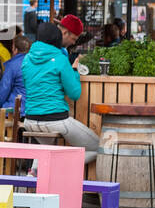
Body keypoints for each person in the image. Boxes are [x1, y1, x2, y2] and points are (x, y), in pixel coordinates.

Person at [21, 21, 100, 164]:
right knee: (98, 148)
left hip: (30, 120)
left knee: (46, 150)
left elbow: (36, 85)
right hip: (55, 120)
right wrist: (74, 70)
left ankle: (34, 172)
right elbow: (74, 94)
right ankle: (58, 166)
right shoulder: (60, 59)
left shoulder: (26, 59)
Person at [0, 34, 31, 116]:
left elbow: (3, 91)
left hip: (16, 112)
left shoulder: (12, 65)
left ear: (15, 49)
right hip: (32, 110)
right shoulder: (35, 63)